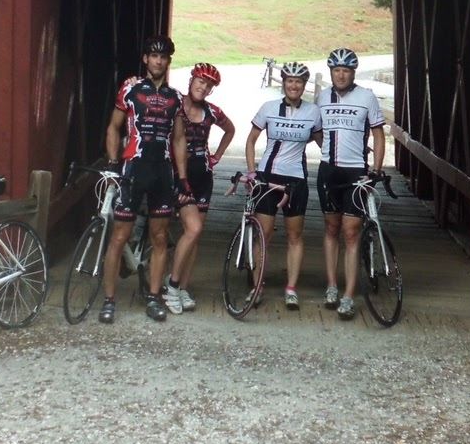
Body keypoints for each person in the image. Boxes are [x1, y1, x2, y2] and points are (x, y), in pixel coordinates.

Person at [100, 34, 188, 324]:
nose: (158, 61)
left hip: (161, 173)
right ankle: (109, 300)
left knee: (160, 237)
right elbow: (114, 127)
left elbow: (178, 139)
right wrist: (113, 164)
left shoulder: (175, 98)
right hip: (133, 169)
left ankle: (152, 297)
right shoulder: (130, 87)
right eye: (153, 55)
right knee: (119, 236)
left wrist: (183, 178)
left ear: (168, 61)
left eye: (163, 57)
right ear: (145, 59)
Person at [315, 47, 386, 320]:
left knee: (351, 233)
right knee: (331, 228)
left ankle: (348, 295)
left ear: (353, 73)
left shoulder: (366, 97)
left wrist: (376, 169)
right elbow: (317, 131)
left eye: (345, 70)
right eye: (336, 70)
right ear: (331, 72)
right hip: (328, 172)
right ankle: (332, 285)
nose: (341, 75)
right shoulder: (322, 97)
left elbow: (379, 135)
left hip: (355, 172)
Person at [243, 60, 321, 310]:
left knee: (294, 235)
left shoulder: (313, 112)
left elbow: (323, 142)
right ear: (284, 83)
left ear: (304, 85)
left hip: (296, 179)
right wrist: (253, 171)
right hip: (268, 177)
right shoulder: (268, 108)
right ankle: (257, 287)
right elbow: (251, 140)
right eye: (289, 81)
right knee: (263, 235)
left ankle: (290, 289)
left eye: (298, 82)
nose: (294, 86)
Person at [165, 62, 236, 311]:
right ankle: (171, 285)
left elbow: (231, 129)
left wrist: (216, 156)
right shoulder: (174, 103)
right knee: (191, 229)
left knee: (194, 234)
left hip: (203, 177)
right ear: (191, 80)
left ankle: (183, 287)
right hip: (177, 176)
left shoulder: (213, 112)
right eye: (200, 81)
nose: (203, 87)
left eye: (209, 85)